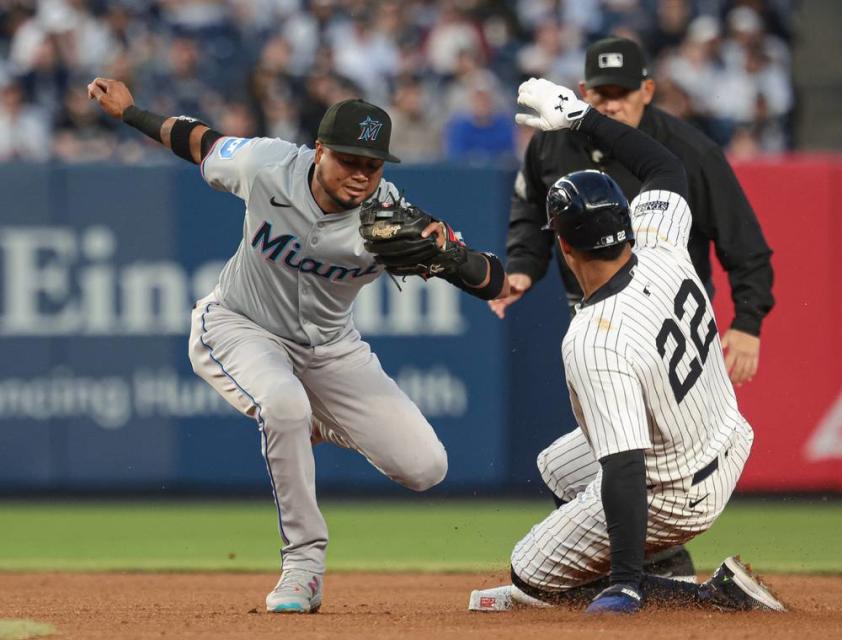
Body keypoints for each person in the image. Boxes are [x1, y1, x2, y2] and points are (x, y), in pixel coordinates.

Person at [86, 76, 508, 614]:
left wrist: (451, 258)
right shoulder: (265, 164)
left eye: (372, 165)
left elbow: (492, 279)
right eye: (349, 160)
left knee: (426, 467)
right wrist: (130, 113)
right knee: (284, 407)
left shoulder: (390, 212)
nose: (360, 176)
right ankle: (303, 566)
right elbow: (198, 141)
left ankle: (313, 419)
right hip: (241, 326)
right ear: (320, 150)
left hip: (331, 348)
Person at [470, 77, 784, 614]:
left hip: (679, 492)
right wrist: (580, 116)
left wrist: (625, 582)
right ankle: (640, 565)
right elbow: (665, 167)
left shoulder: (595, 338)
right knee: (556, 466)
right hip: (724, 434)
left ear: (563, 246)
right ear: (627, 221)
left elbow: (625, 467)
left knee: (529, 573)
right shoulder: (661, 242)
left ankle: (698, 595)